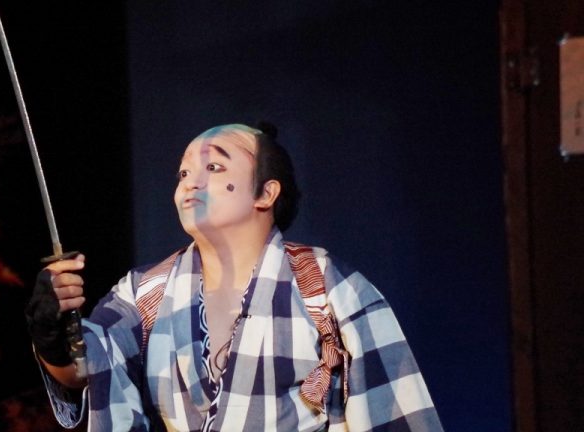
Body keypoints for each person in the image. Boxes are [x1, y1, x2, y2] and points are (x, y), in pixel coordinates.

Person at [25, 123, 443, 431]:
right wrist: (52, 332)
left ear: (266, 193)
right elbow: (85, 370)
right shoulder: (145, 291)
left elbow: (395, 411)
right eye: (183, 173)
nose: (190, 183)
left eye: (214, 167)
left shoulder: (327, 286)